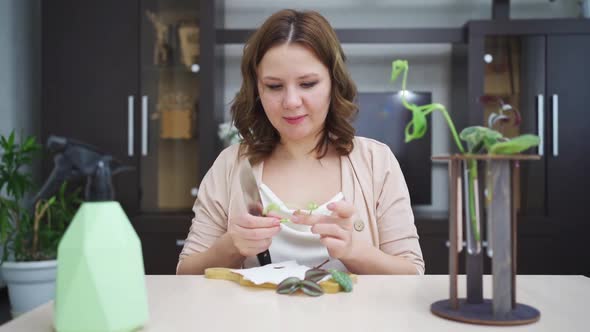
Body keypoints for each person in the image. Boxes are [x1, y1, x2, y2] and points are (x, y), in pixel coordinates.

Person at [177, 9, 424, 275]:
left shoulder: (377, 161)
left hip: (355, 318)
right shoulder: (231, 165)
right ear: (257, 89)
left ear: (334, 83)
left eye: (307, 84)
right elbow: (185, 272)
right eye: (274, 86)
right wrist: (230, 246)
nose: (291, 102)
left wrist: (355, 251)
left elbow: (412, 273)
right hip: (252, 319)